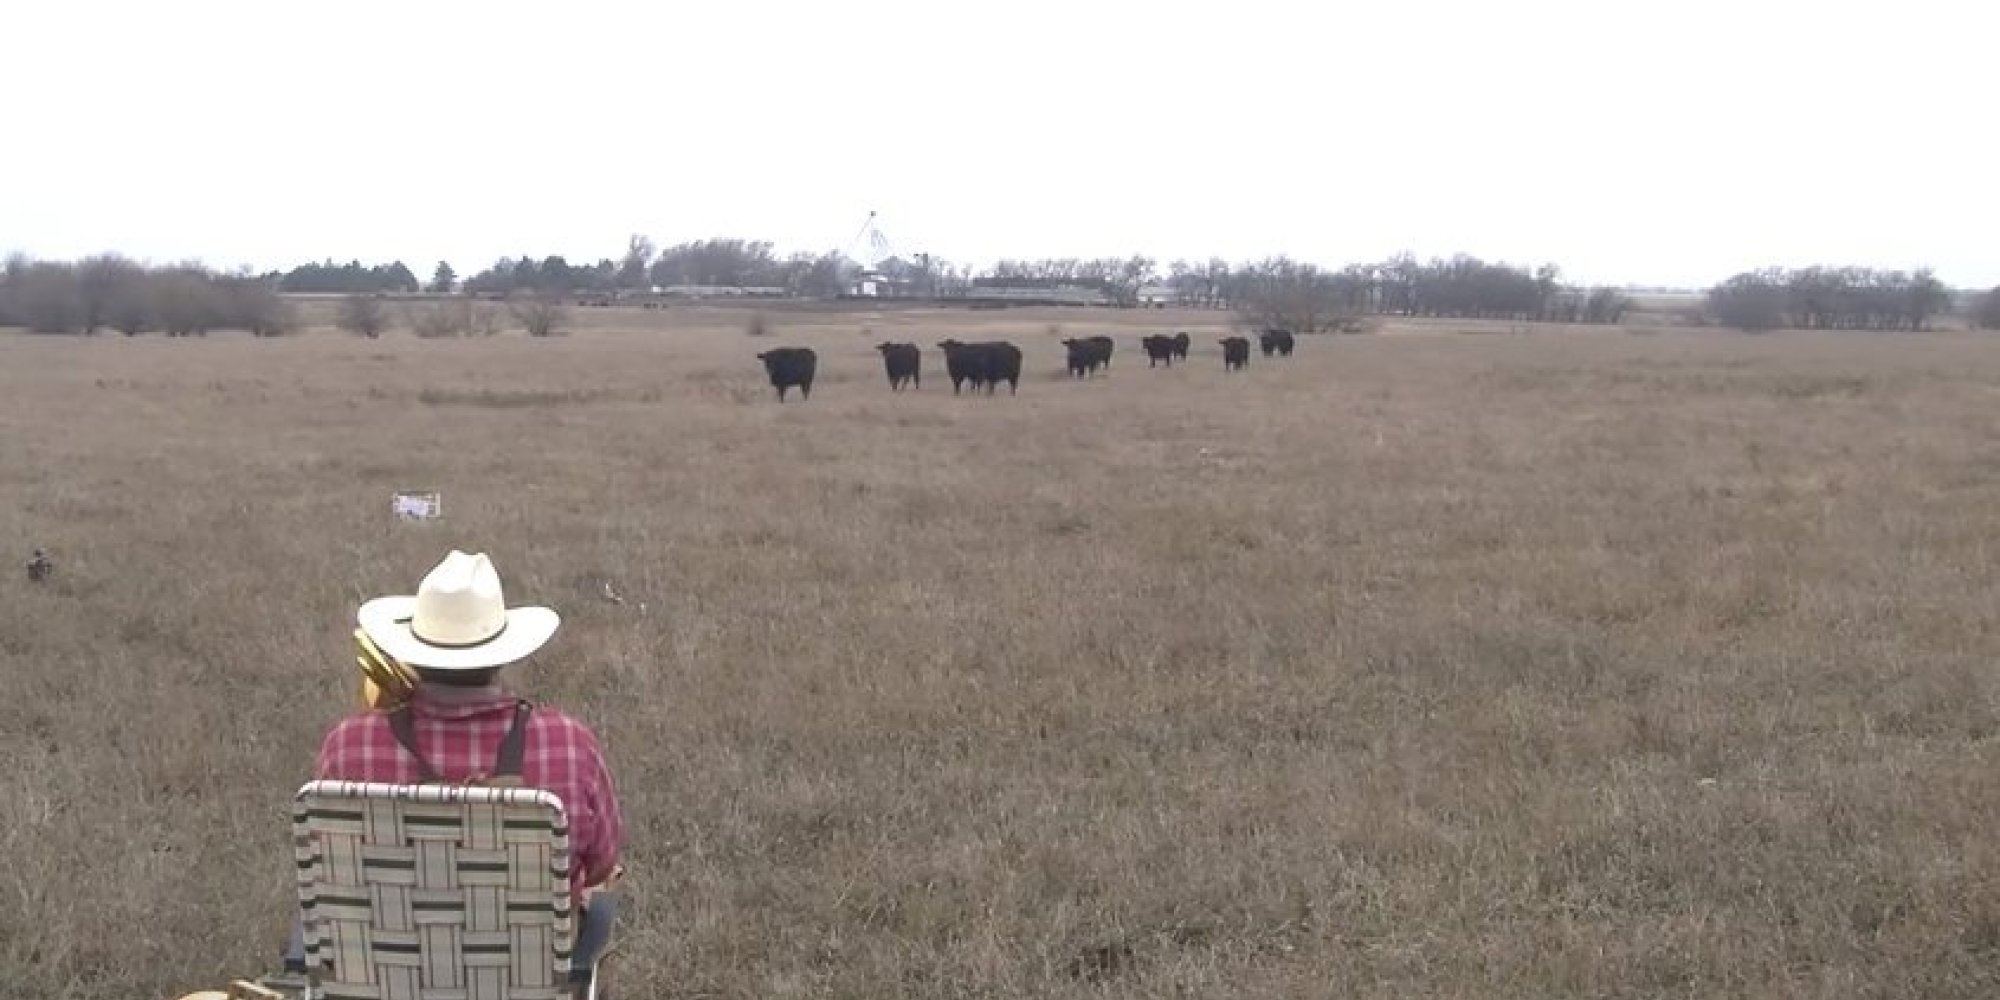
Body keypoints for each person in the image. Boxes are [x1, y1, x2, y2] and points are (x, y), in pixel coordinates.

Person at [277, 550, 624, 993]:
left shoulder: (347, 745)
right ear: (502, 653)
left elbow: (330, 874)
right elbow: (603, 862)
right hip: (523, 985)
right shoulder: (569, 744)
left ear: (414, 652)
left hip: (382, 984)